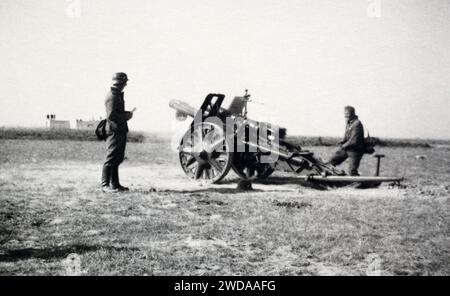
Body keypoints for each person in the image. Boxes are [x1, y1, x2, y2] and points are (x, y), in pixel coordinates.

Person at [101, 72, 134, 192]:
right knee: (111, 157)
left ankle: (115, 184)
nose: (125, 85)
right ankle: (105, 185)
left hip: (118, 130)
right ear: (120, 83)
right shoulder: (113, 96)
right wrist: (127, 116)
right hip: (114, 130)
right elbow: (112, 115)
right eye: (124, 82)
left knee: (117, 158)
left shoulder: (117, 95)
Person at [328, 106, 365, 176]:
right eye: (345, 113)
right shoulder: (348, 122)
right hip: (347, 148)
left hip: (355, 150)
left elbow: (354, 140)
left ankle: (359, 184)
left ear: (353, 113)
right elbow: (346, 135)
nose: (346, 115)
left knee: (352, 171)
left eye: (348, 113)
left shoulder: (357, 124)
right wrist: (342, 141)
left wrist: (343, 146)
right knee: (331, 162)